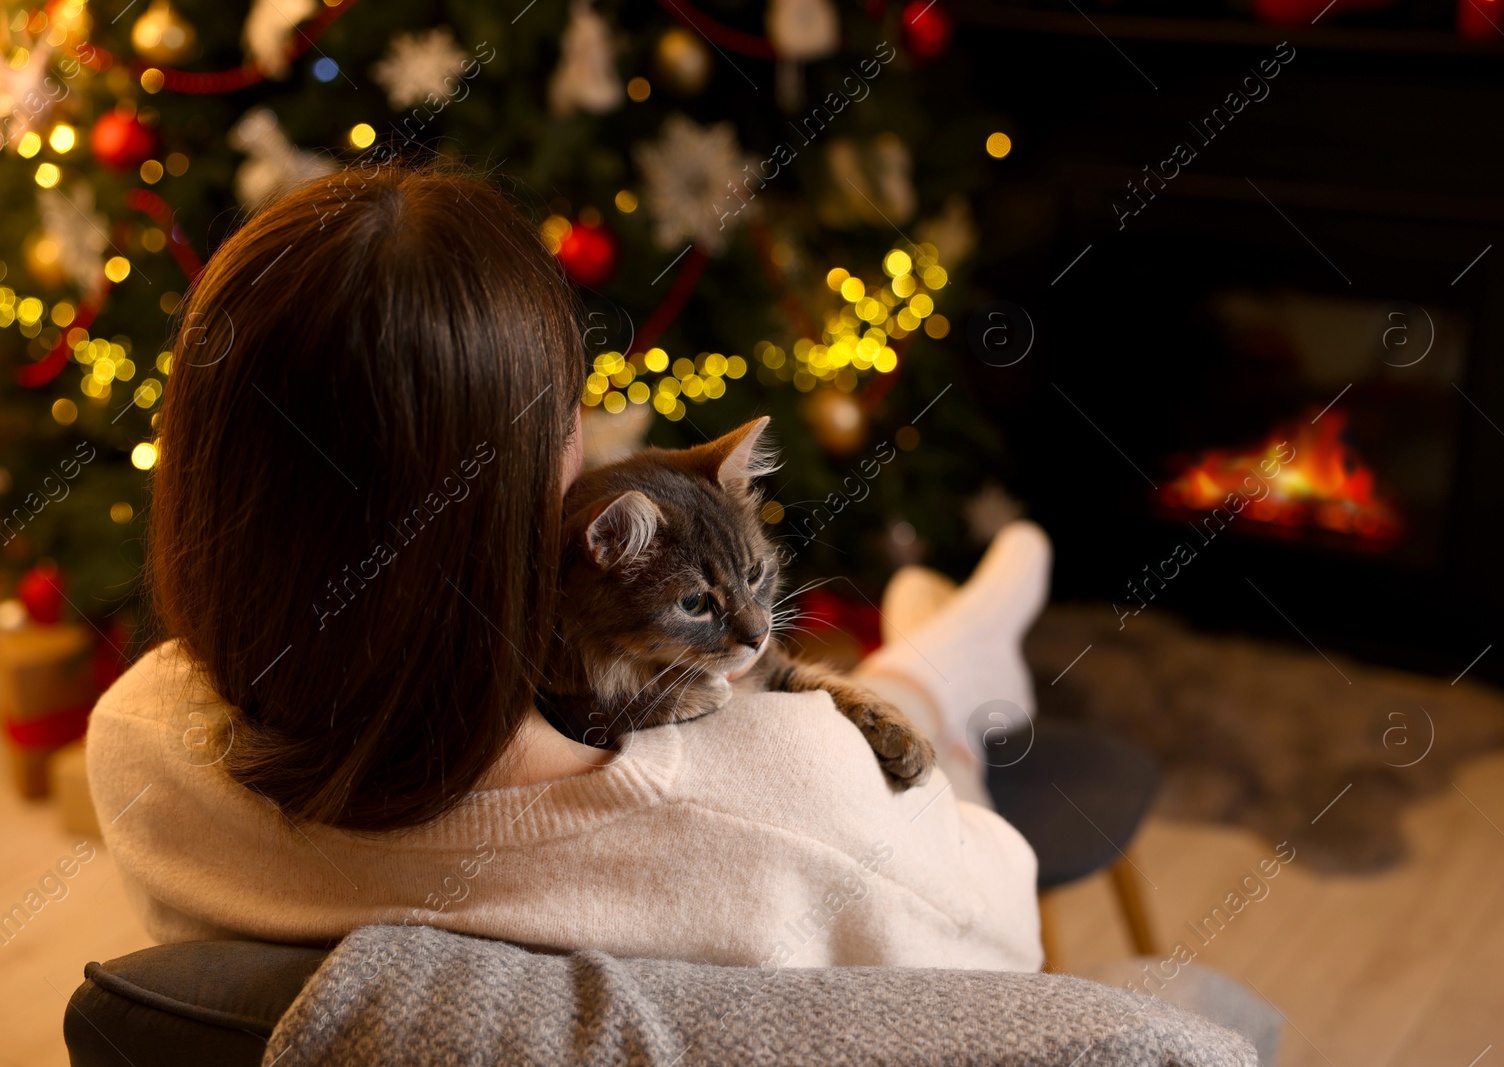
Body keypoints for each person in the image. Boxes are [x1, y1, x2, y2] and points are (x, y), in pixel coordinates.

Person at [86, 166, 1053, 972]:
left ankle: (947, 648)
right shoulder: (786, 804)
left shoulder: (136, 746)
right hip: (873, 804)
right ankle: (952, 666)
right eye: (565, 409)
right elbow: (1008, 944)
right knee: (927, 723)